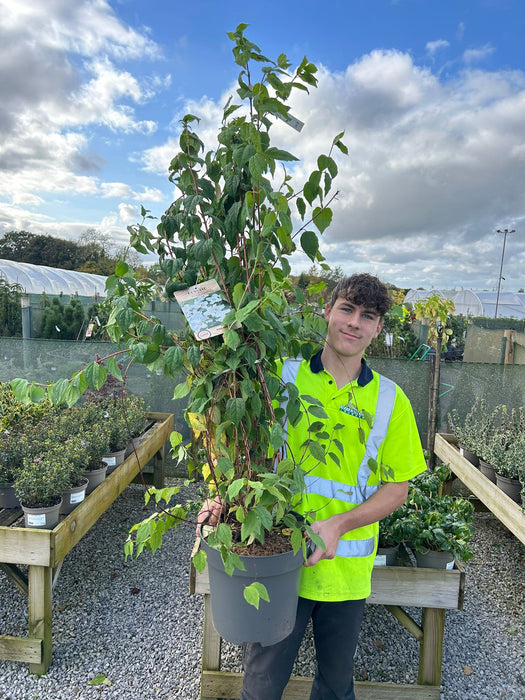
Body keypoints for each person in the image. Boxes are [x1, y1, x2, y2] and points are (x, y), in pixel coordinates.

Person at [198, 272, 427, 700]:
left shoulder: (391, 401)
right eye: (346, 308)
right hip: (276, 558)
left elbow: (398, 489)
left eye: (368, 316)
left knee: (336, 688)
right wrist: (222, 501)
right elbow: (242, 446)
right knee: (262, 684)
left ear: (378, 328)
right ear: (327, 311)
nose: (354, 322)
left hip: (345, 574)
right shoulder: (283, 378)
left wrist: (339, 524)